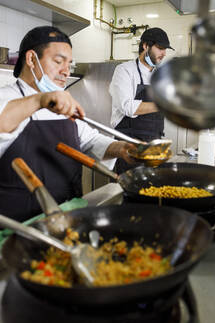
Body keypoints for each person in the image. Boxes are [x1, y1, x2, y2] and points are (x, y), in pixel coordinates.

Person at [0, 26, 135, 222]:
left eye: (69, 64)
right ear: (31, 59)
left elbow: (90, 141)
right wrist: (39, 100)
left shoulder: (63, 101)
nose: (66, 71)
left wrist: (124, 149)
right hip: (18, 229)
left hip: (69, 217)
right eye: (58, 61)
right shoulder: (7, 97)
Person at [109, 27, 174, 174]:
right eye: (160, 48)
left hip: (154, 146)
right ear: (145, 46)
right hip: (128, 147)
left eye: (165, 49)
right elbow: (128, 107)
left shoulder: (161, 76)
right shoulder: (124, 70)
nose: (164, 54)